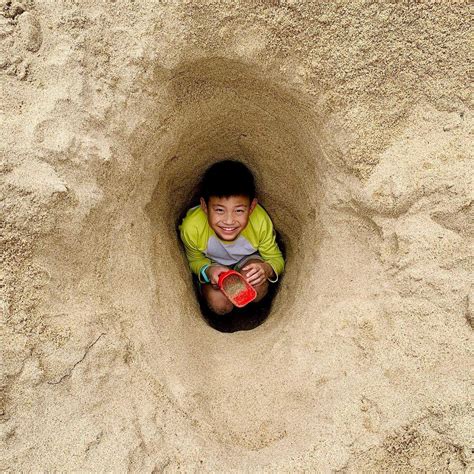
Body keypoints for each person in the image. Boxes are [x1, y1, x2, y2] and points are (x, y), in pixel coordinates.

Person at [179, 160, 285, 315]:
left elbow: (276, 258)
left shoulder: (260, 221)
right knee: (219, 304)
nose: (229, 221)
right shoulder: (192, 227)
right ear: (204, 206)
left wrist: (266, 269)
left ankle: (252, 312)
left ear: (251, 208)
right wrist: (209, 271)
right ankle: (216, 306)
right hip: (215, 268)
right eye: (220, 210)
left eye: (239, 211)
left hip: (247, 261)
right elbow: (194, 260)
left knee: (255, 283)